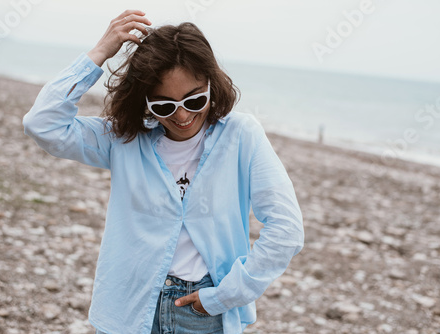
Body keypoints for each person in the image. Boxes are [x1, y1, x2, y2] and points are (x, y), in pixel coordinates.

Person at [22, 9, 304, 334]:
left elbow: (286, 229)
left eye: (194, 100)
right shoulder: (124, 139)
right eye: (165, 106)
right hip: (127, 308)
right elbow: (41, 124)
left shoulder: (241, 136)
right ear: (145, 101)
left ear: (211, 84)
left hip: (203, 313)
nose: (182, 115)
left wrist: (226, 295)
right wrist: (100, 51)